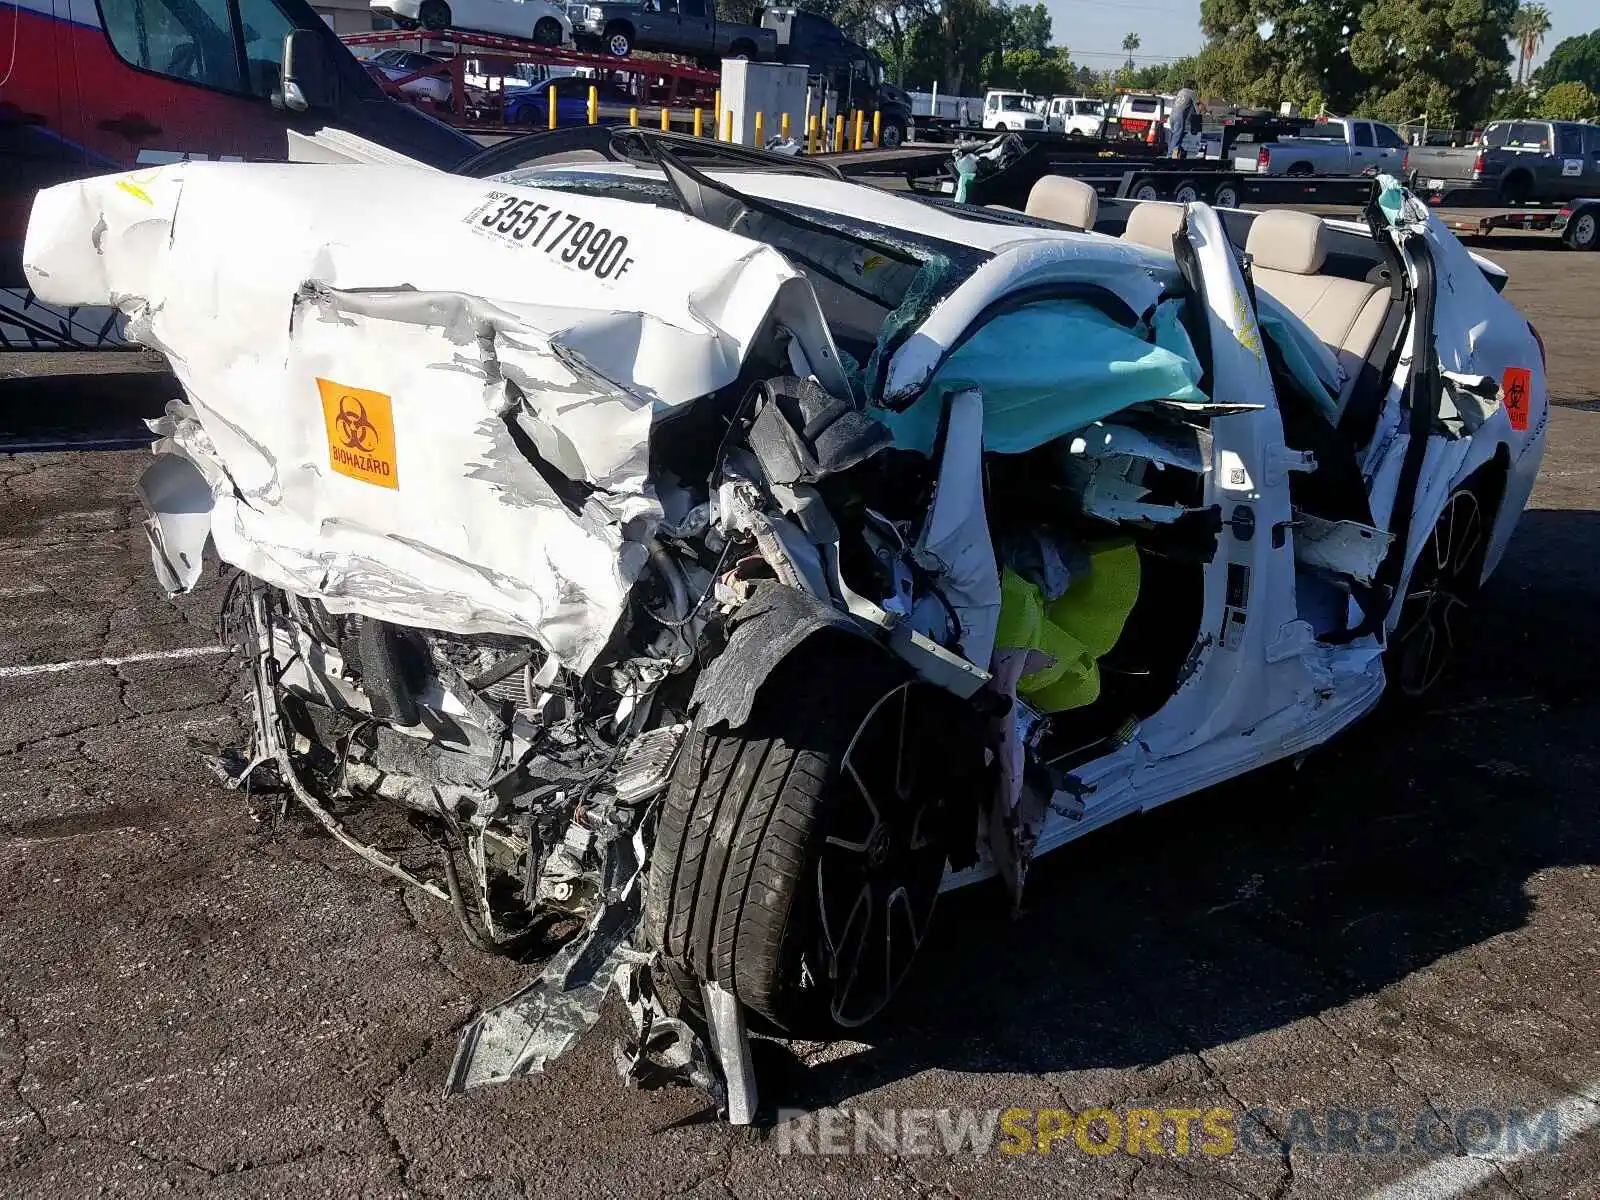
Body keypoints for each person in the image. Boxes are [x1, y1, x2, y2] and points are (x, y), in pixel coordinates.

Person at [1168, 80, 1199, 159]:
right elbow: (1196, 105)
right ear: (1192, 86)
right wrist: (1200, 115)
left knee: (1174, 136)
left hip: (1172, 115)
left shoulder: (1180, 92)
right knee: (1177, 137)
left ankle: (1177, 152)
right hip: (1179, 117)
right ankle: (1170, 156)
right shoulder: (1192, 93)